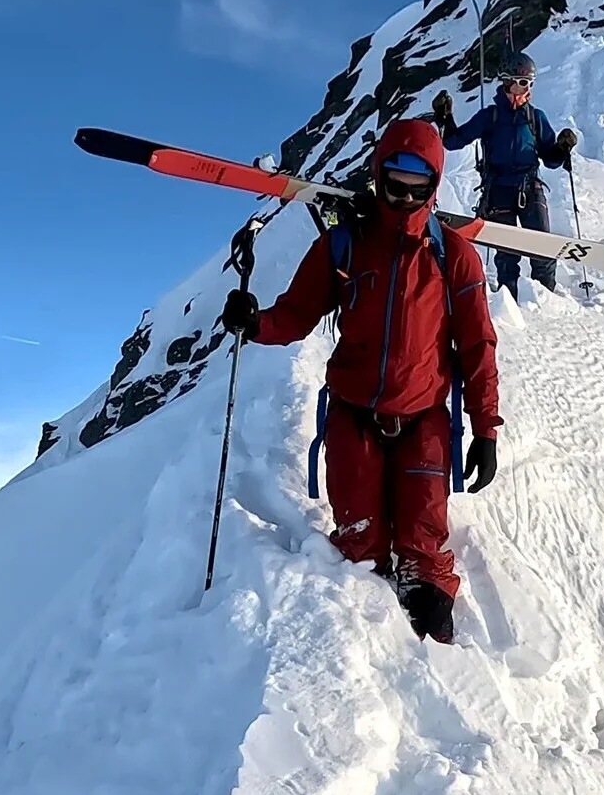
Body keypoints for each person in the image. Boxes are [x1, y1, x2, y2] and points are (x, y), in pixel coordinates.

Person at [220, 118, 501, 646]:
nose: (404, 195)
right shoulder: (342, 246)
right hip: (354, 417)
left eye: (418, 185)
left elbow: (478, 346)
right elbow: (296, 314)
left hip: (424, 421)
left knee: (424, 551)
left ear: (434, 184)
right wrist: (254, 323)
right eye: (395, 181)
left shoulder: (453, 256)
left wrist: (485, 427)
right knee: (359, 550)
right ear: (379, 173)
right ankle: (367, 649)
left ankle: (435, 656)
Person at [432, 52, 578, 300]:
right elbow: (454, 142)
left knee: (542, 247)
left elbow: (551, 161)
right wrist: (445, 118)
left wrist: (562, 149)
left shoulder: (536, 117)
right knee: (507, 254)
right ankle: (507, 305)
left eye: (529, 83)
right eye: (521, 82)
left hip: (530, 187)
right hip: (498, 189)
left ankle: (548, 303)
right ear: (506, 81)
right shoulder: (489, 117)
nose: (525, 89)